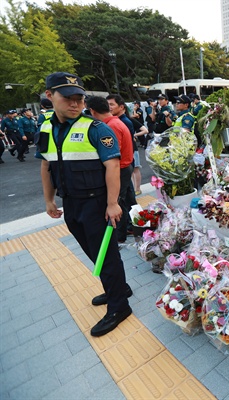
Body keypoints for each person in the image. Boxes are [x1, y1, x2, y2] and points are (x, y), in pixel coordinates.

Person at [36, 71, 132, 337]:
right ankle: (119, 288)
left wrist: (112, 203)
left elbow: (112, 166)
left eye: (79, 98)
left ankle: (119, 306)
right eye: (68, 98)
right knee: (93, 253)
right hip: (72, 204)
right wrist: (48, 200)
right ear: (49, 96)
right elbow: (46, 166)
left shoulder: (95, 128)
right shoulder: (46, 128)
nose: (75, 104)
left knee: (107, 256)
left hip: (98, 204)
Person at [86, 96, 134, 244]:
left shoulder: (109, 126)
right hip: (125, 167)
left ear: (92, 111)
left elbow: (113, 156)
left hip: (120, 169)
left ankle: (119, 235)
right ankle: (128, 228)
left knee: (116, 202)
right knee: (124, 200)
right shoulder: (115, 122)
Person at [106, 94, 139, 233]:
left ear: (121, 107)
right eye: (107, 104)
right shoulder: (120, 121)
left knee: (121, 200)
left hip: (123, 165)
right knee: (130, 197)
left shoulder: (119, 123)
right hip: (127, 163)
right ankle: (135, 223)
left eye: (112, 104)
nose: (109, 107)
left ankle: (123, 230)